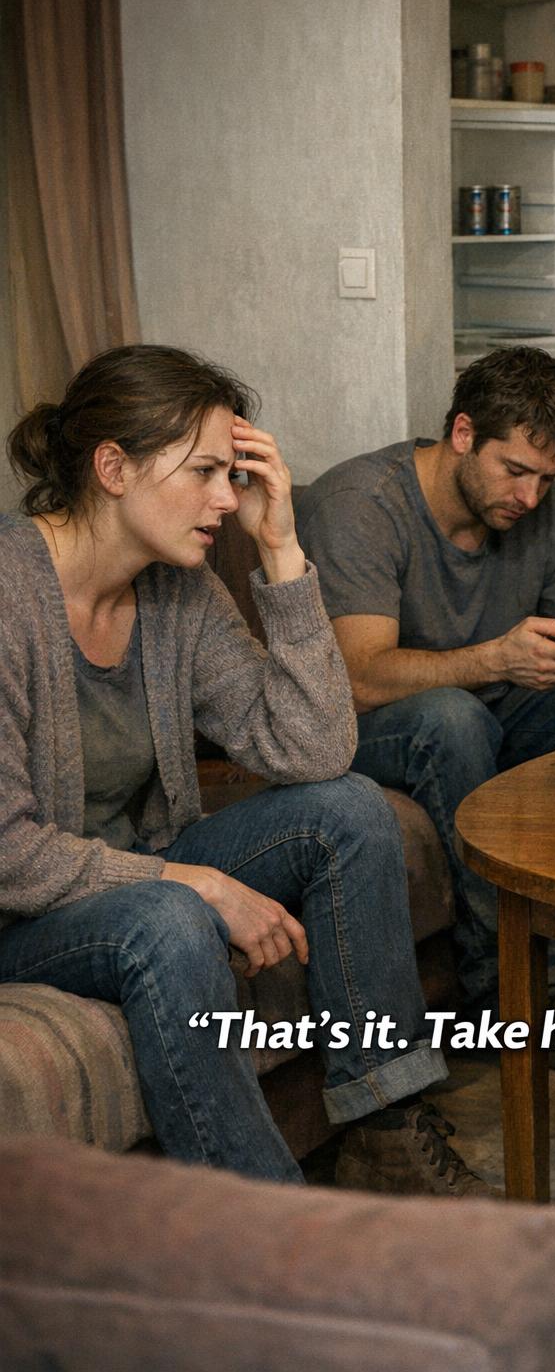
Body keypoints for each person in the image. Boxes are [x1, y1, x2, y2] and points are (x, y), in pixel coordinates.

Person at [0, 344, 491, 1196]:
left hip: (141, 868)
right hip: (28, 913)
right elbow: (9, 853)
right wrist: (196, 884)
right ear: (112, 468)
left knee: (349, 810)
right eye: (204, 473)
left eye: (231, 475)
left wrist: (283, 552)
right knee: (170, 920)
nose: (228, 501)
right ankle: (269, 1231)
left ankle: (386, 1131)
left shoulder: (178, 590)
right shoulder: (10, 596)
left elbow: (313, 751)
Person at [296, 346, 555, 1064]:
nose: (530, 497)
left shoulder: (549, 512)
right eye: (514, 470)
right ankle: (514, 992)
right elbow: (357, 679)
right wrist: (496, 659)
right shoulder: (361, 504)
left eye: (547, 478)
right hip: (359, 727)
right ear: (462, 433)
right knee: (451, 718)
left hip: (490, 709)